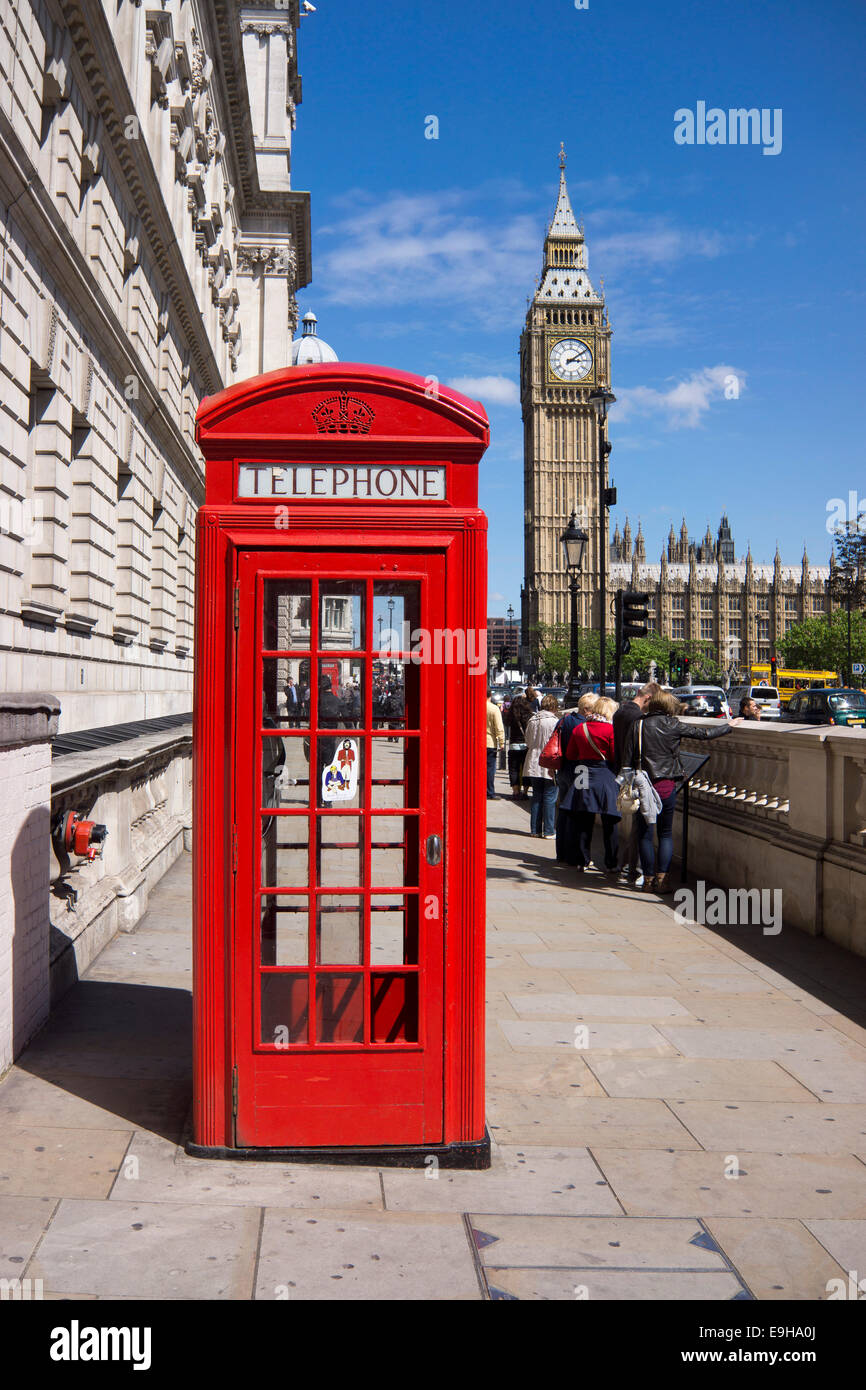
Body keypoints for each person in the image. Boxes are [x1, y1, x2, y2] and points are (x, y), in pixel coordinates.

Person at [622, 689, 741, 894]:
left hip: (644, 786)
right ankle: (663, 879)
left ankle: (648, 880)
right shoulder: (673, 724)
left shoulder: (638, 724)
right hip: (667, 785)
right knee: (665, 833)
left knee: (645, 834)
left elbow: (627, 761)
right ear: (669, 707)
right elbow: (704, 735)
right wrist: (728, 726)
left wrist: (624, 784)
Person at [561, 695, 621, 873]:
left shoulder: (580, 728)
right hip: (604, 774)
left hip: (583, 775)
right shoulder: (610, 731)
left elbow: (571, 754)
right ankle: (611, 862)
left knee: (583, 820)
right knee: (610, 820)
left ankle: (582, 860)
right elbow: (613, 756)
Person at [613, 681, 661, 883]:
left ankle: (626, 865)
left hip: (623, 770)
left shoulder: (620, 712)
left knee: (636, 825)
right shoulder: (638, 717)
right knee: (641, 825)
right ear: (648, 698)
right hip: (637, 773)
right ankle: (634, 869)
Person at [554, 692, 598, 864]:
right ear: (586, 709)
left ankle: (561, 853)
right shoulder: (583, 725)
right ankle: (574, 854)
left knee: (563, 811)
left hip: (563, 769)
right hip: (579, 771)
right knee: (577, 812)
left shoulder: (564, 720)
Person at [523, 694, 561, 837]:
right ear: (554, 707)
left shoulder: (532, 720)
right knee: (550, 798)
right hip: (549, 762)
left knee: (536, 796)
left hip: (534, 761)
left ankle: (535, 830)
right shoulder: (555, 722)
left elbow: (528, 741)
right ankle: (549, 830)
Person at [504, 690, 534, 799]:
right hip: (525, 745)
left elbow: (506, 724)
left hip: (513, 745)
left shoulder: (511, 716)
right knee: (526, 770)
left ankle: (516, 792)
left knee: (513, 769)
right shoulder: (529, 716)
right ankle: (525, 792)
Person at [486, 689, 505, 799]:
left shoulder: (474, 706)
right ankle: (489, 792)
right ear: (490, 695)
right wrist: (501, 742)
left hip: (476, 742)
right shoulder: (494, 709)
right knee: (490, 769)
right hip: (490, 742)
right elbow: (499, 727)